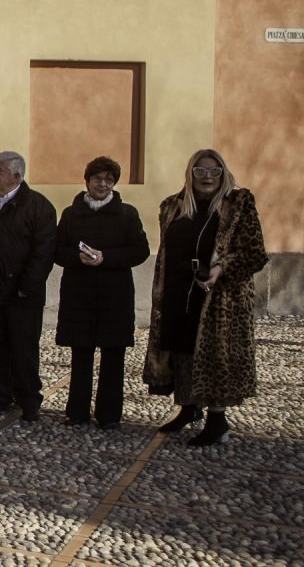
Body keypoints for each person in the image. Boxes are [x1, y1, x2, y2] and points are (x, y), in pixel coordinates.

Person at [144, 149, 268, 446]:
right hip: (178, 288)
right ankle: (188, 408)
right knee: (181, 347)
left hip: (220, 296)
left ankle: (217, 421)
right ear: (191, 173)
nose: (208, 177)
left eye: (215, 171)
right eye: (200, 171)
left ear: (223, 173)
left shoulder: (237, 204)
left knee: (214, 357)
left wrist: (221, 269)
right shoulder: (173, 206)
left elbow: (255, 253)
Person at [54, 157, 150, 430]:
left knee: (113, 355)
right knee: (81, 353)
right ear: (87, 180)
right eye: (98, 178)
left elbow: (140, 250)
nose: (103, 184)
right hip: (79, 293)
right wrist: (78, 257)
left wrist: (105, 257)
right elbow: (57, 250)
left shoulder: (127, 214)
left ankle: (109, 414)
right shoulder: (71, 214)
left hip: (114, 295)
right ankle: (77, 412)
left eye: (109, 179)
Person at [0, 151, 57, 422]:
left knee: (24, 348)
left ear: (17, 176)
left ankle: (29, 399)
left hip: (23, 296)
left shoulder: (39, 207)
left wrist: (26, 286)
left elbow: (43, 253)